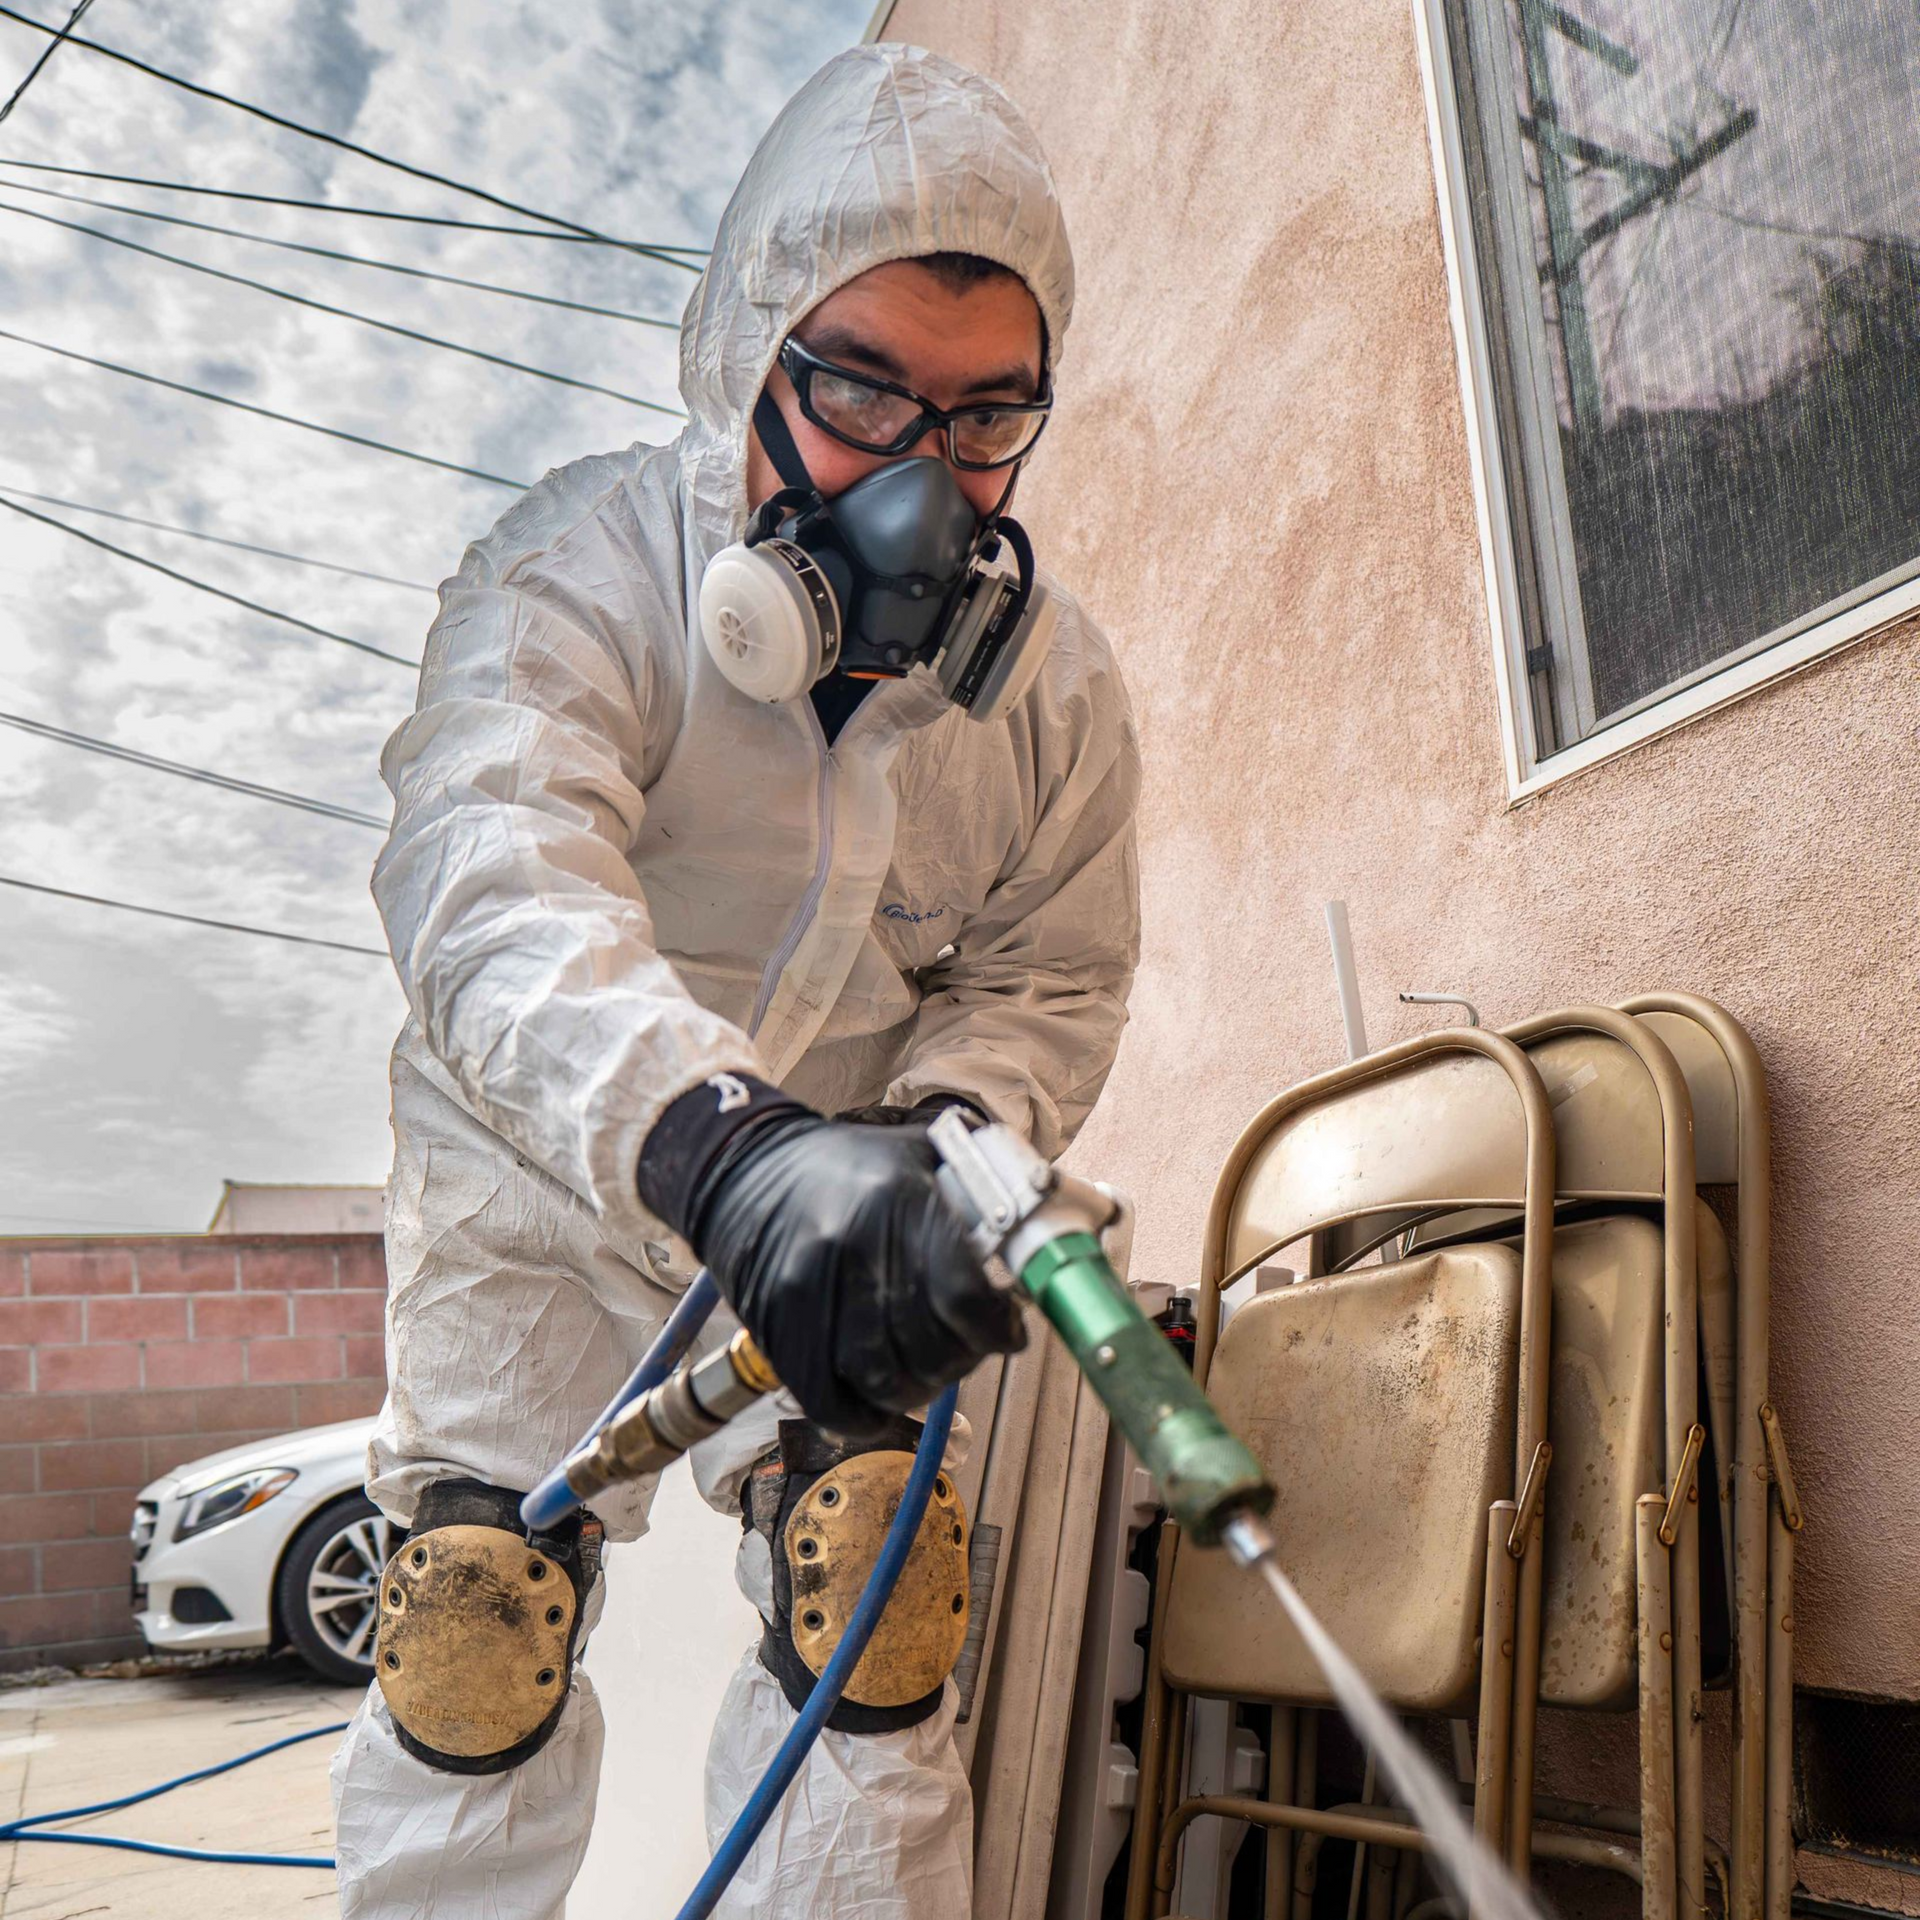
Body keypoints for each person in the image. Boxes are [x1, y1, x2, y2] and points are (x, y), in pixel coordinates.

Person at [331, 40, 1140, 1920]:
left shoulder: (1057, 696)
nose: (922, 480)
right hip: (546, 1191)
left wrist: (948, 1152)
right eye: (861, 388)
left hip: (845, 1208)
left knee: (876, 1585)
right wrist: (719, 1146)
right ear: (746, 358)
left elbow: (1047, 977)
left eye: (983, 418)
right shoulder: (581, 569)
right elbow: (490, 880)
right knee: (474, 1627)